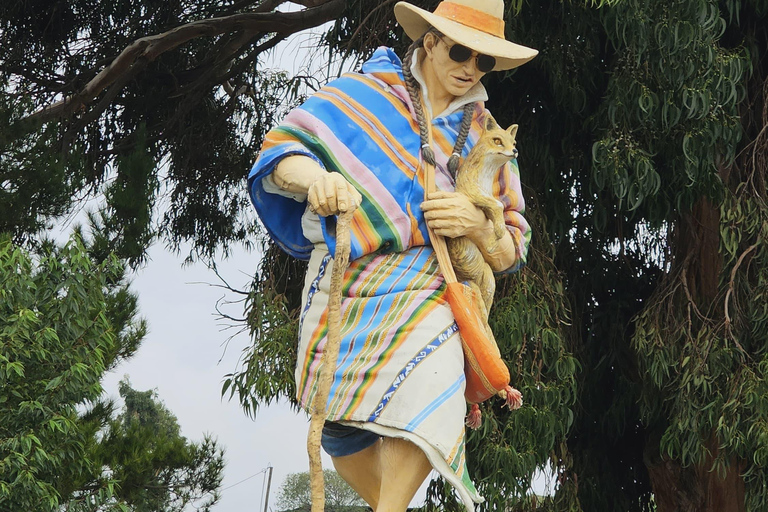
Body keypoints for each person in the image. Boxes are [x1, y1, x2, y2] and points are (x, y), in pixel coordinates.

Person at [247, 1, 537, 510]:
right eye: (461, 50)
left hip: (432, 286)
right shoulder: (364, 95)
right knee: (338, 430)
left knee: (435, 375)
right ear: (429, 41)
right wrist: (319, 179)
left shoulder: (486, 131)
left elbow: (513, 244)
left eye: (484, 61)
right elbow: (279, 154)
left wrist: (474, 223)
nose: (470, 67)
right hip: (348, 282)